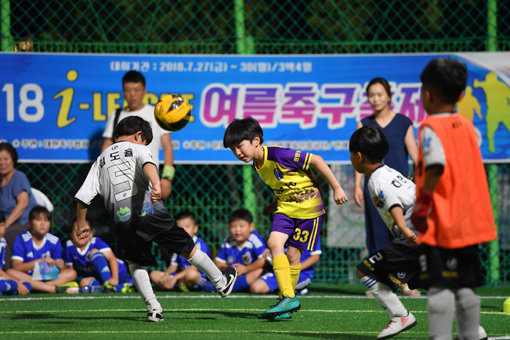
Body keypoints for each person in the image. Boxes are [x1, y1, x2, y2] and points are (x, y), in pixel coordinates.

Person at [75, 116, 237, 322]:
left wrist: (81, 223)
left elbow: (83, 197)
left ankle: (153, 309)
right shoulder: (136, 147)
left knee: (135, 261)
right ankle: (221, 282)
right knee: (187, 247)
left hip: (121, 219)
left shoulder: (101, 159)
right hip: (148, 211)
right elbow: (148, 163)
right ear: (139, 136)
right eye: (145, 142)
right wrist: (157, 183)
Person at [223, 117, 348, 320]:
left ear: (256, 140)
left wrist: (337, 187)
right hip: (286, 208)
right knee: (274, 243)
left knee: (293, 256)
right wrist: (272, 205)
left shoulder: (279, 154)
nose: (237, 153)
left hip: (309, 209)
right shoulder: (257, 164)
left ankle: (286, 301)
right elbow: (281, 185)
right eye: (233, 150)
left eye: (239, 146)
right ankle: (288, 299)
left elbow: (317, 160)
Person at [412, 57, 497, 340]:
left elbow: (436, 165)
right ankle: (472, 335)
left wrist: (422, 205)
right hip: (469, 220)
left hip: (442, 221)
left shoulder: (429, 128)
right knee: (465, 286)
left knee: (438, 287)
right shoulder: (469, 127)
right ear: (461, 95)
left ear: (427, 94)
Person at [350, 125, 420, 339]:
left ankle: (400, 315)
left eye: (351, 155)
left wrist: (405, 229)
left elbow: (393, 203)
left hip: (414, 234)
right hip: (430, 228)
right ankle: (474, 330)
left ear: (359, 156)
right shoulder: (389, 171)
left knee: (365, 270)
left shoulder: (376, 180)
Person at [353, 78, 419, 256]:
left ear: (388, 96)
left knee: (402, 234)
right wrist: (358, 186)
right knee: (378, 236)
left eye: (380, 94)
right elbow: (359, 157)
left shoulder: (403, 123)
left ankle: (405, 280)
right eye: (371, 95)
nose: (376, 99)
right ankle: (382, 279)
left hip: (398, 191)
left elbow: (416, 155)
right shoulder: (364, 124)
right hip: (375, 191)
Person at [101, 70, 174, 199]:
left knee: (150, 218)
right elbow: (107, 145)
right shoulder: (116, 115)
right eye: (128, 90)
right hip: (121, 186)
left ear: (144, 91)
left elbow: (168, 147)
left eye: (137, 90)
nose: (132, 94)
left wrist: (167, 177)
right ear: (123, 91)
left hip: (150, 185)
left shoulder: (156, 113)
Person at [7, 206, 79, 294]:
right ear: (29, 223)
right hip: (27, 276)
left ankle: (38, 287)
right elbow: (16, 267)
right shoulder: (22, 239)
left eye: (46, 220)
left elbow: (61, 270)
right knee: (10, 272)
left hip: (47, 277)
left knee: (72, 273)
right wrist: (40, 261)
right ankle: (51, 289)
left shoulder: (54, 240)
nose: (43, 224)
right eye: (38, 220)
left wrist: (61, 265)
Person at [150, 211, 216, 292]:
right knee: (154, 274)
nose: (184, 230)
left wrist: (175, 277)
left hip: (195, 277)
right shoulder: (177, 244)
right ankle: (175, 286)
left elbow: (194, 268)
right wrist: (166, 276)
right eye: (180, 228)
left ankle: (184, 286)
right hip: (180, 277)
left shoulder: (200, 244)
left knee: (191, 274)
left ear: (195, 229)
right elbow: (173, 266)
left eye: (187, 227)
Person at [63, 220, 134, 293]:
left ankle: (108, 285)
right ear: (71, 234)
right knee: (83, 282)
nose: (81, 234)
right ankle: (122, 287)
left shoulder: (96, 242)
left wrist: (115, 278)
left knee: (94, 252)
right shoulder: (69, 247)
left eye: (84, 231)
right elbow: (69, 269)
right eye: (77, 231)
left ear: (91, 233)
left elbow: (112, 258)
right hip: (99, 276)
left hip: (116, 271)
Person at [0, 142, 38, 269]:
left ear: (13, 160)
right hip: (12, 223)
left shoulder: (18, 177)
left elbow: (23, 204)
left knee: (4, 235)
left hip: (25, 223)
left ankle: (5, 273)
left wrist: (5, 226)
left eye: (6, 159)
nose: (2, 163)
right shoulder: (1, 182)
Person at [214, 208, 267, 293]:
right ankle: (232, 286)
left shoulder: (254, 239)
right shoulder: (227, 242)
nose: (237, 230)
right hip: (234, 276)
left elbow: (263, 260)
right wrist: (228, 270)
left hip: (250, 273)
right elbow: (218, 262)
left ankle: (229, 287)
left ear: (251, 226)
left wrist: (246, 269)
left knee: (259, 271)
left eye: (241, 226)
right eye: (233, 226)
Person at [250, 240, 322, 296]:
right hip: (281, 270)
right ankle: (282, 289)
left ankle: (299, 290)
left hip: (302, 273)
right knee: (255, 288)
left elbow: (315, 257)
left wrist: (294, 269)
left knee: (283, 286)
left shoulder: (308, 229)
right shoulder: (282, 229)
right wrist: (269, 253)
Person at [0, 211, 31, 295]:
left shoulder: (2, 242)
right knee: (14, 284)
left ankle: (5, 291)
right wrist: (17, 283)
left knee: (27, 285)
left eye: (2, 225)